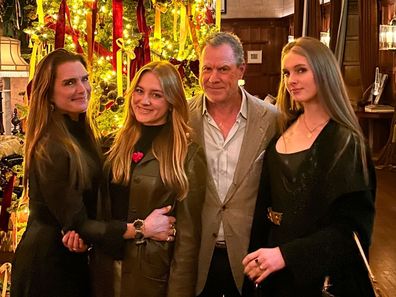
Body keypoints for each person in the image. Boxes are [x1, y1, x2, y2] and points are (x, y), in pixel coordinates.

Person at [11, 49, 175, 297]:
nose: (82, 88)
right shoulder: (51, 145)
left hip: (72, 258)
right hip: (47, 267)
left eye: (84, 79)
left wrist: (80, 235)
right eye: (69, 83)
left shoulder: (79, 131)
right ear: (49, 95)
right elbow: (78, 221)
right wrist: (142, 229)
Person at [242, 37, 376, 297]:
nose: (291, 80)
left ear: (323, 71)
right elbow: (265, 211)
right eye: (286, 73)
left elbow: (352, 230)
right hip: (275, 275)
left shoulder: (345, 142)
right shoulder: (282, 131)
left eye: (301, 70)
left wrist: (286, 255)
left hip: (323, 281)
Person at [99, 60, 207, 297]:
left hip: (151, 278)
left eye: (156, 95)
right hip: (105, 273)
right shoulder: (111, 144)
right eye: (139, 91)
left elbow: (188, 242)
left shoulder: (186, 154)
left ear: (171, 102)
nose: (144, 101)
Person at [188, 31, 278, 297]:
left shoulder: (272, 120)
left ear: (241, 70)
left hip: (250, 256)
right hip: (197, 254)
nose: (213, 78)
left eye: (223, 69)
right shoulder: (182, 117)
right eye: (207, 68)